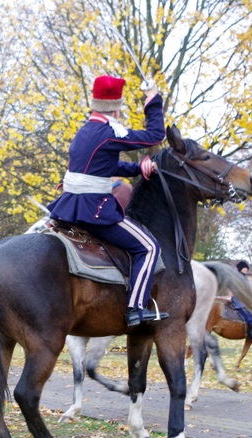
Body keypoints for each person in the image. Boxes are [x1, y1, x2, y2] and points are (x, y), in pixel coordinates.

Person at [46, 75, 168, 327]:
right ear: (116, 108)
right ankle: (136, 308)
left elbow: (104, 166)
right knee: (149, 248)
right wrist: (153, 99)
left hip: (69, 207)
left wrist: (138, 168)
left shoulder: (85, 132)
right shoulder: (109, 133)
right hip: (94, 210)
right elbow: (156, 135)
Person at [231, 260, 252, 340]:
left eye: (246, 268)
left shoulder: (245, 277)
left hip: (246, 300)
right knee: (251, 318)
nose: (246, 269)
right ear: (240, 268)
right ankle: (251, 334)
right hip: (239, 301)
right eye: (244, 268)